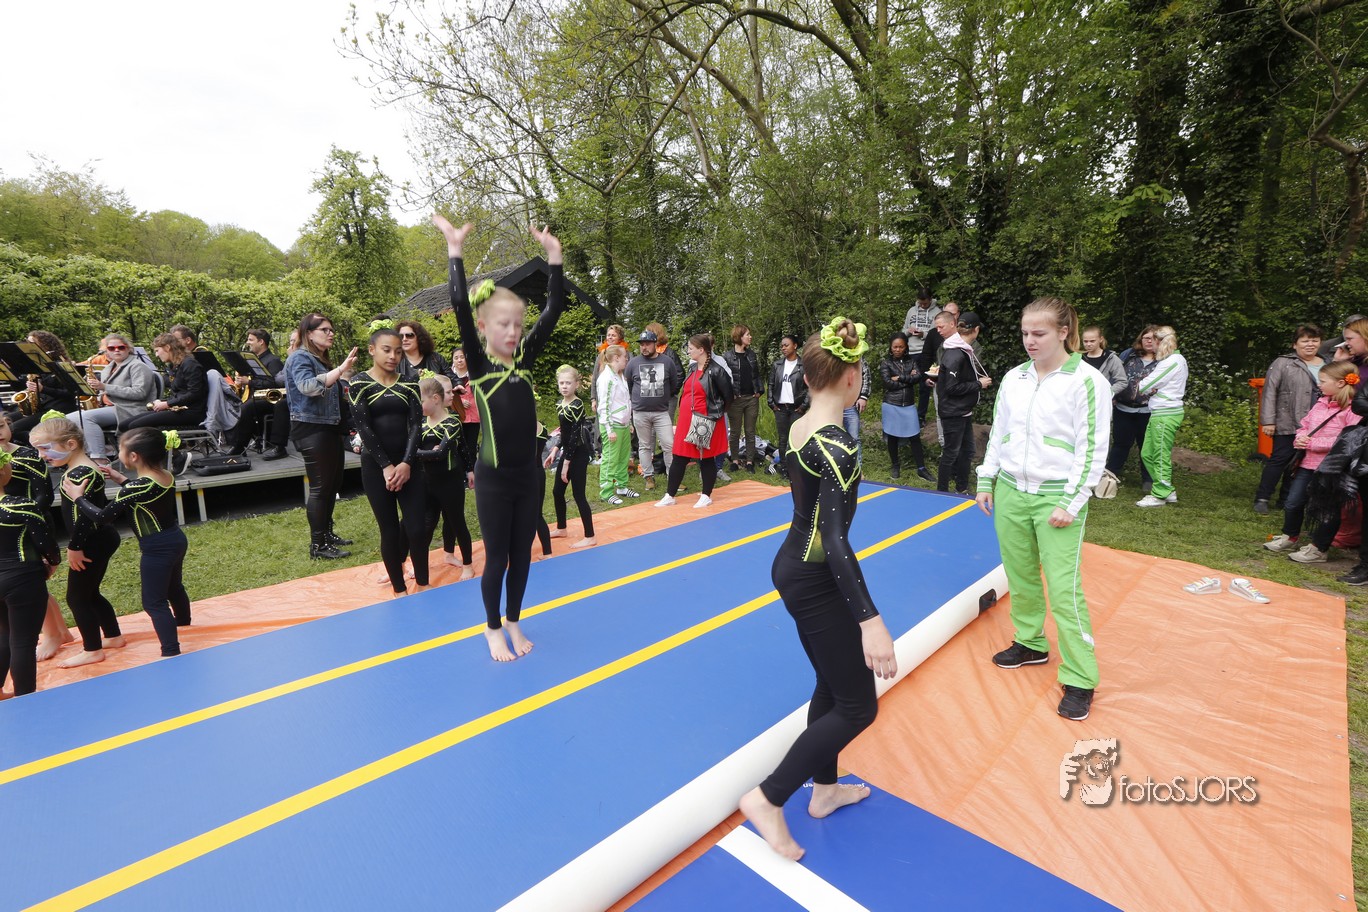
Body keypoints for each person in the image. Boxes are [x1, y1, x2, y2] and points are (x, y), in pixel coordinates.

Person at [738, 317, 897, 861]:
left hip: (793, 566)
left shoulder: (800, 426)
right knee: (859, 707)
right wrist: (871, 621)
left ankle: (824, 790)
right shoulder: (838, 446)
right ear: (853, 377)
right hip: (813, 577)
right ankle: (768, 798)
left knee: (832, 685)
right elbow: (833, 540)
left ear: (806, 378)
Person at [432, 213, 568, 662]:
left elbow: (554, 309)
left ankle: (513, 620)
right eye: (502, 324)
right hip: (493, 479)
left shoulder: (524, 363)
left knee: (522, 556)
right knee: (497, 559)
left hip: (528, 477)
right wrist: (455, 251)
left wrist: (555, 259)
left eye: (517, 324)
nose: (512, 332)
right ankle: (492, 628)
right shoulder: (480, 366)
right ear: (484, 328)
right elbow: (459, 304)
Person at [976, 296, 1112, 722]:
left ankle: (1080, 677)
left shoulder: (1088, 382)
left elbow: (1093, 448)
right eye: (1025, 333)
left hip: (1057, 496)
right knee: (1019, 575)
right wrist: (987, 479)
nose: (1029, 341)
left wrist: (1072, 501)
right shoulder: (1014, 378)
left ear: (1063, 332)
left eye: (1039, 333)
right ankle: (1030, 642)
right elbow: (999, 432)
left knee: (1064, 590)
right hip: (1010, 491)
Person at [63, 428, 191, 658]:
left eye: (120, 449)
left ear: (133, 456)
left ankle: (171, 651)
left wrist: (78, 497)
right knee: (173, 586)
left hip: (156, 548)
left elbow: (102, 517)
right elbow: (146, 496)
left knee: (153, 602)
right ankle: (184, 623)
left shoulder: (137, 487)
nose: (118, 453)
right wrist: (121, 479)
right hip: (175, 538)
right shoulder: (165, 475)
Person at [29, 415, 126, 669]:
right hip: (98, 538)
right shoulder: (81, 468)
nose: (41, 455)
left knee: (77, 598)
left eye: (44, 448)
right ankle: (113, 636)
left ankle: (92, 650)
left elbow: (84, 518)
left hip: (91, 541)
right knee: (90, 592)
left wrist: (75, 547)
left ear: (71, 444)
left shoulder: (81, 473)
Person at [350, 325, 428, 596]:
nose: (393, 356)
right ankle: (399, 589)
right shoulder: (359, 383)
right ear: (372, 350)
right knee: (390, 530)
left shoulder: (409, 382)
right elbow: (364, 428)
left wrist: (406, 463)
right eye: (387, 350)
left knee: (417, 528)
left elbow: (416, 425)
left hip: (409, 465)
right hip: (376, 467)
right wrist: (386, 466)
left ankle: (424, 584)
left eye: (398, 351)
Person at [1265, 361, 1359, 559]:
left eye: (1323, 381)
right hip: (1307, 464)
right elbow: (1306, 425)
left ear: (1340, 383)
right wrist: (1300, 438)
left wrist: (1312, 443)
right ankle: (1290, 536)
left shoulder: (1353, 410)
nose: (1319, 384)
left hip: (1332, 470)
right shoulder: (1321, 402)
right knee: (1293, 503)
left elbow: (1348, 440)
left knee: (1327, 510)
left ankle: (1319, 549)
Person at [286, 313, 360, 560]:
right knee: (320, 488)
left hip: (328, 427)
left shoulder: (319, 359)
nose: (331, 334)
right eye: (324, 330)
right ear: (309, 333)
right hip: (312, 429)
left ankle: (327, 534)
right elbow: (308, 387)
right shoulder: (300, 357)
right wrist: (341, 369)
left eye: (331, 330)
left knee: (331, 485)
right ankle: (318, 545)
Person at [0, 412, 70, 661]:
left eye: (1, 426)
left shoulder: (27, 455)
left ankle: (52, 634)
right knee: (32, 584)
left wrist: (25, 516)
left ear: (8, 425)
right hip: (7, 524)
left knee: (33, 582)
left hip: (31, 523)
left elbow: (45, 496)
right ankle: (61, 631)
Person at [0, 456, 61, 698]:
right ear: (3, 471)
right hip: (22, 578)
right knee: (23, 641)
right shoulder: (20, 506)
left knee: (4, 635)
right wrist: (53, 562)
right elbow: (46, 543)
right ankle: (25, 698)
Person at [655, 334, 733, 509]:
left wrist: (714, 415)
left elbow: (728, 397)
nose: (688, 351)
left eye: (691, 348)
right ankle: (670, 495)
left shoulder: (716, 370)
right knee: (679, 455)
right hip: (686, 419)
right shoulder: (691, 368)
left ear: (701, 350)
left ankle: (706, 495)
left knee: (706, 457)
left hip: (705, 421)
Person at [1254, 325, 1324, 514]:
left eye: (1315, 340)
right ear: (1295, 344)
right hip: (1287, 420)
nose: (1310, 344)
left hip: (1316, 425)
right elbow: (1270, 391)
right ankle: (1262, 498)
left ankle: (1285, 499)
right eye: (1305, 340)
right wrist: (1268, 421)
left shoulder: (1327, 363)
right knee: (1280, 459)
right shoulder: (1283, 363)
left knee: (1300, 462)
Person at [415, 375, 476, 581]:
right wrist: (426, 453)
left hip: (450, 481)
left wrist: (469, 469)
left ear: (435, 399)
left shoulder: (452, 422)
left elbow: (441, 453)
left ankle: (468, 564)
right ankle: (420, 564)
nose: (418, 405)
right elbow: (413, 451)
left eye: (421, 401)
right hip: (428, 481)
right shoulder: (422, 424)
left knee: (456, 522)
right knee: (426, 524)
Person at [63, 333, 157, 465]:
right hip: (111, 407)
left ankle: (99, 458)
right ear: (107, 351)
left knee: (85, 418)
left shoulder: (138, 366)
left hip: (130, 409)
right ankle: (89, 454)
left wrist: (105, 387)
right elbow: (105, 392)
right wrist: (99, 397)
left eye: (121, 347)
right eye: (112, 348)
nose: (116, 350)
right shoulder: (108, 368)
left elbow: (140, 393)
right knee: (68, 418)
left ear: (128, 349)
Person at [931, 311, 990, 494]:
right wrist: (978, 384)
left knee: (968, 451)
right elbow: (952, 387)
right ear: (976, 330)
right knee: (951, 453)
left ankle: (962, 488)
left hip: (963, 410)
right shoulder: (955, 353)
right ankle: (942, 492)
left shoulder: (963, 350)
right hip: (953, 412)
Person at [1134, 326, 1189, 508]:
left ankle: (1160, 494)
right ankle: (1167, 489)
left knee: (1159, 454)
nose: (1150, 343)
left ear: (1159, 342)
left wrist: (1149, 387)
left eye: (1153, 340)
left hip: (1166, 414)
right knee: (1147, 454)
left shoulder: (1173, 361)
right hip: (1159, 412)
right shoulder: (1171, 360)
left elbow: (1144, 385)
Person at [626, 329, 683, 491]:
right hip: (640, 412)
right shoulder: (633, 363)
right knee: (644, 446)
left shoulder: (667, 362)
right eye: (642, 344)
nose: (644, 347)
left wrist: (663, 397)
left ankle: (673, 478)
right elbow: (628, 385)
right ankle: (648, 477)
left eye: (647, 344)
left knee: (669, 445)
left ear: (655, 344)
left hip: (661, 412)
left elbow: (674, 383)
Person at [122, 333, 208, 439]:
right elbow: (178, 391)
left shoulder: (190, 365)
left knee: (134, 426)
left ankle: (153, 448)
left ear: (167, 347)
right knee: (124, 425)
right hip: (178, 409)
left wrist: (167, 404)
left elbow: (195, 393)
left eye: (157, 350)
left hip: (192, 412)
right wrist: (163, 402)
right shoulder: (174, 365)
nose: (157, 355)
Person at [1105, 326, 1160, 490]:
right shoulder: (1128, 355)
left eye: (1153, 338)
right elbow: (1115, 375)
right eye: (1146, 338)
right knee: (1120, 444)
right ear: (1140, 340)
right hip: (1123, 409)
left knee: (1147, 446)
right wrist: (1112, 395)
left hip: (1149, 411)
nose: (1149, 341)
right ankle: (1108, 478)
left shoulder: (1165, 360)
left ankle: (1148, 480)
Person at [548, 365, 596, 548]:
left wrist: (566, 463)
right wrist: (555, 449)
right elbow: (564, 432)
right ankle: (561, 528)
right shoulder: (559, 404)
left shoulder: (577, 405)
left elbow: (575, 437)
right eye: (561, 383)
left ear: (576, 384)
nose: (564, 386)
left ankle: (590, 536)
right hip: (568, 452)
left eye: (568, 383)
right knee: (557, 491)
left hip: (578, 454)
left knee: (578, 495)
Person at [227, 328, 289, 460]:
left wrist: (249, 382)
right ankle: (237, 444)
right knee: (237, 406)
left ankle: (239, 446)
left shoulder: (273, 361)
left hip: (271, 400)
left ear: (261, 342)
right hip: (256, 398)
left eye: (251, 340)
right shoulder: (253, 360)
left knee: (246, 408)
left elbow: (274, 384)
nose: (248, 342)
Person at [11, 330, 79, 444]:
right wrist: (13, 373)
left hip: (57, 408)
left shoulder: (62, 365)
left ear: (45, 345)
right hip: (41, 407)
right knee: (6, 420)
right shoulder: (36, 365)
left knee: (13, 429)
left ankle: (42, 446)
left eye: (33, 343)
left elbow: (70, 394)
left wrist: (43, 389)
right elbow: (18, 389)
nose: (29, 346)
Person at [879, 332, 928, 480]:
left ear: (906, 347)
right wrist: (908, 380)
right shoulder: (886, 363)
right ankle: (895, 465)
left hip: (908, 404)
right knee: (892, 436)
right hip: (891, 404)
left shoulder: (911, 361)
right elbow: (888, 383)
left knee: (915, 436)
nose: (898, 349)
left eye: (901, 347)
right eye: (895, 347)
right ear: (890, 347)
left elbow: (918, 377)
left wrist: (900, 377)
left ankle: (921, 468)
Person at [721, 325, 764, 472]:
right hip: (735, 401)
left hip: (752, 398)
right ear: (739, 337)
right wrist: (730, 394)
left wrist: (759, 391)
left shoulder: (751, 355)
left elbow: (757, 375)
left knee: (750, 431)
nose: (750, 337)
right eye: (747, 334)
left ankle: (750, 462)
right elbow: (724, 378)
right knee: (735, 432)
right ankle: (735, 460)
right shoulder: (727, 356)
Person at [596, 345, 635, 504]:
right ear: (616, 358)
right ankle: (606, 492)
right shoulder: (606, 378)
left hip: (623, 424)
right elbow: (603, 406)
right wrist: (609, 429)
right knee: (611, 459)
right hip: (613, 426)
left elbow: (625, 401)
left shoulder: (620, 376)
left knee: (623, 458)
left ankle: (621, 486)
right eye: (625, 356)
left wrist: (629, 421)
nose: (627, 359)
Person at [767, 333, 807, 482]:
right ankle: (784, 469)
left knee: (796, 439)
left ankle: (797, 468)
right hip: (781, 408)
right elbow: (771, 384)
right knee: (783, 439)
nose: (783, 348)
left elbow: (809, 387)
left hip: (797, 408)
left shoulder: (803, 365)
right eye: (782, 345)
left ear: (795, 346)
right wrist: (771, 403)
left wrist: (803, 406)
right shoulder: (777, 365)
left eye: (786, 345)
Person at [903, 291, 941, 423]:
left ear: (930, 299)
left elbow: (936, 334)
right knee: (907, 383)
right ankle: (907, 414)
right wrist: (908, 331)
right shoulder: (911, 311)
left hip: (926, 353)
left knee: (924, 385)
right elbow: (903, 330)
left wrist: (923, 334)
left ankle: (921, 416)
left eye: (925, 303)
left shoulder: (937, 312)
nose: (923, 305)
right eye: (920, 303)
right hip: (911, 352)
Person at [450, 346, 482, 465]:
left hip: (473, 417)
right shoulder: (448, 375)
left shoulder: (476, 374)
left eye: (462, 357)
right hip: (455, 416)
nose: (459, 360)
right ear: (453, 360)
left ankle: (472, 472)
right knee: (457, 448)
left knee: (471, 448)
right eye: (456, 358)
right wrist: (460, 401)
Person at [1080, 327, 1128, 398]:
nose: (1088, 344)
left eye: (1092, 341)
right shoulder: (1079, 358)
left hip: (1101, 400)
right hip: (1081, 399)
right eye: (1085, 341)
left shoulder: (1111, 358)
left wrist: (1105, 394)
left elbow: (1122, 381)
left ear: (1101, 339)